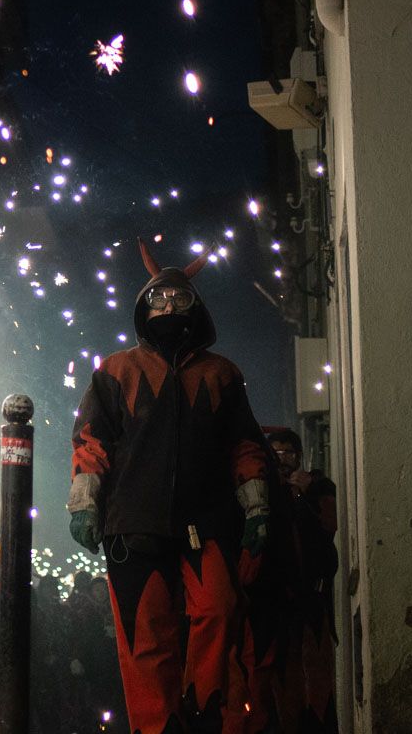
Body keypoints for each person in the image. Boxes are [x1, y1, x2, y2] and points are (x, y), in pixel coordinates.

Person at [69, 239, 272, 732]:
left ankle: (204, 710)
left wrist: (257, 506)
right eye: (158, 299)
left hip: (208, 522)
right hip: (134, 524)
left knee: (219, 612)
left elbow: (245, 444)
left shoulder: (223, 374)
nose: (167, 306)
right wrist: (85, 503)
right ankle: (156, 727)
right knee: (145, 638)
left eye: (178, 300)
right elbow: (91, 440)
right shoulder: (115, 371)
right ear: (143, 306)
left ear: (195, 307)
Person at [267, 428, 338, 733]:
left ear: (298, 456)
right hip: (279, 603)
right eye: (276, 454)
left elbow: (331, 525)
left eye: (288, 454)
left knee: (318, 678)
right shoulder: (266, 494)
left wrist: (308, 491)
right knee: (285, 681)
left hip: (313, 598)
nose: (282, 461)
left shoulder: (318, 486)